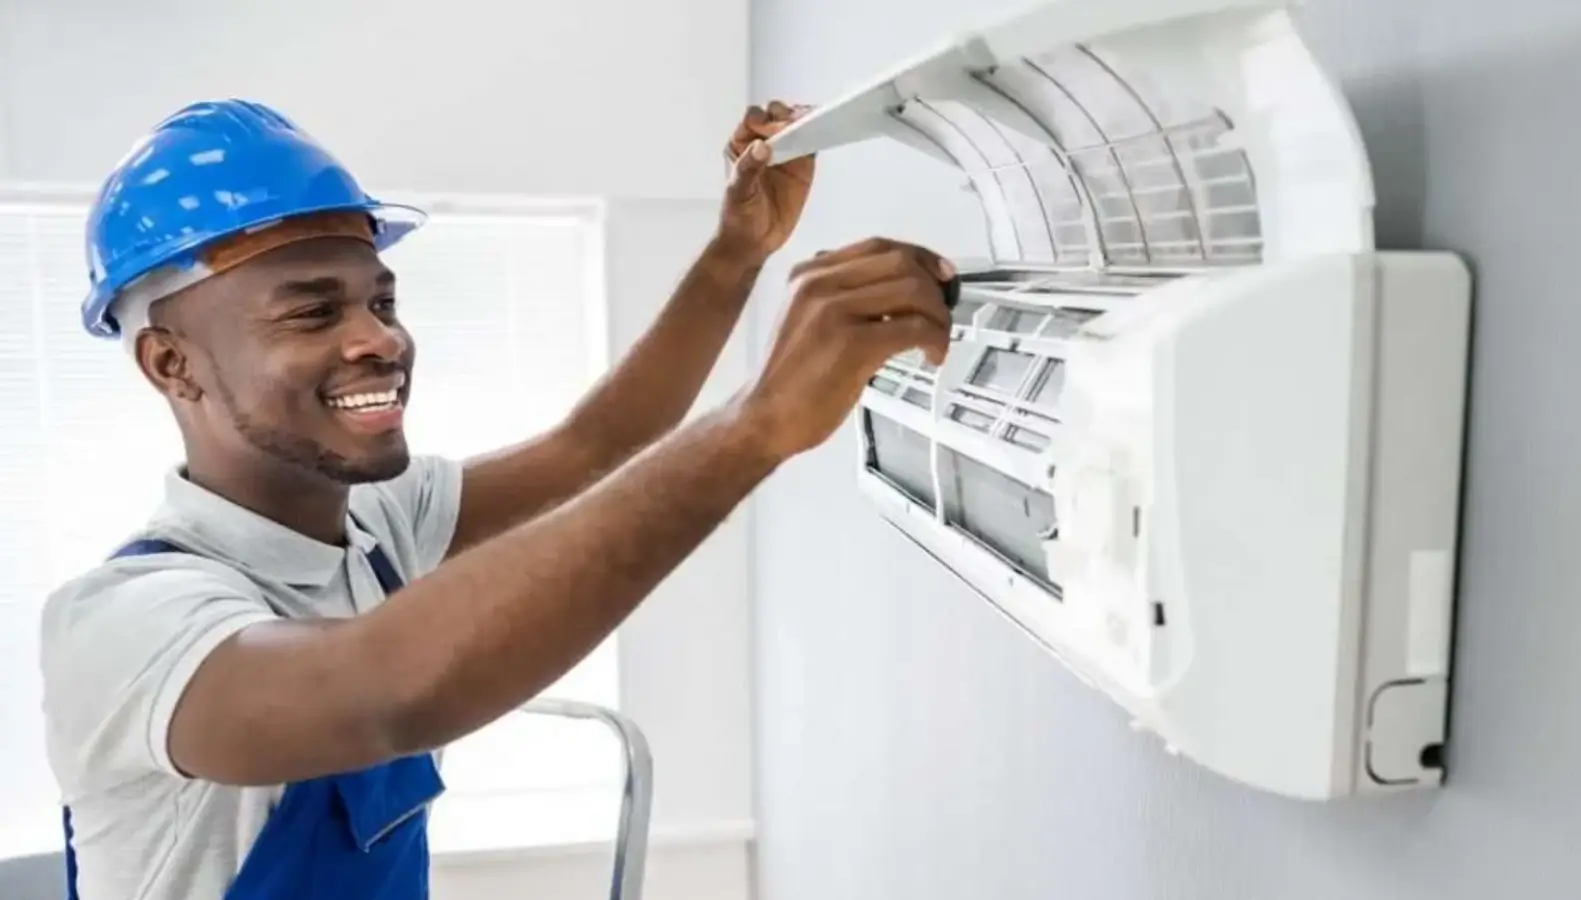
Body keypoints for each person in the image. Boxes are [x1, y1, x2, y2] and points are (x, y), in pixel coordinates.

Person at [37, 97, 954, 900]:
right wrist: (754, 426)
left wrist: (735, 253)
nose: (378, 341)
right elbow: (383, 691)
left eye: (382, 304)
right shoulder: (125, 625)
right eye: (314, 313)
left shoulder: (378, 523)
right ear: (172, 364)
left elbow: (595, 444)